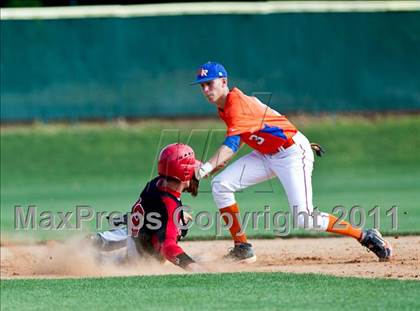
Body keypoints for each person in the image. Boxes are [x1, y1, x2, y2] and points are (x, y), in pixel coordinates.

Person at [192, 61, 392, 263]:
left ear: (224, 81)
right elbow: (243, 137)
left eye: (210, 83)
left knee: (304, 218)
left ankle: (365, 235)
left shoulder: (238, 103)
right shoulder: (224, 107)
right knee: (221, 184)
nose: (206, 89)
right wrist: (214, 166)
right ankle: (242, 248)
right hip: (266, 154)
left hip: (291, 153)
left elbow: (232, 143)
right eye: (202, 86)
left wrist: (205, 167)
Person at [91, 143, 203, 272]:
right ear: (185, 173)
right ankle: (85, 258)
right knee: (109, 264)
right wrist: (193, 266)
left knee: (138, 229)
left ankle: (95, 242)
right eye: (192, 167)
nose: (195, 171)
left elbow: (153, 210)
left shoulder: (157, 183)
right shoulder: (169, 206)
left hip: (137, 233)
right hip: (142, 260)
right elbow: (168, 247)